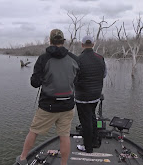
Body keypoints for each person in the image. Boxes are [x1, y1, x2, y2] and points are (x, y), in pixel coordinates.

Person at [16, 29, 79, 165]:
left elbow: (35, 83)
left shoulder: (43, 58)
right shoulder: (74, 59)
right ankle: (63, 163)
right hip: (67, 106)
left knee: (33, 131)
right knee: (64, 136)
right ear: (63, 42)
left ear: (50, 41)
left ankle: (22, 158)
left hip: (47, 106)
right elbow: (77, 80)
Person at [74, 36, 106, 153]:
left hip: (82, 97)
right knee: (92, 117)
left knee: (86, 121)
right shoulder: (100, 58)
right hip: (95, 95)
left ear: (82, 45)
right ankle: (94, 141)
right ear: (93, 44)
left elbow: (74, 78)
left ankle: (88, 148)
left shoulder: (77, 59)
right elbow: (104, 74)